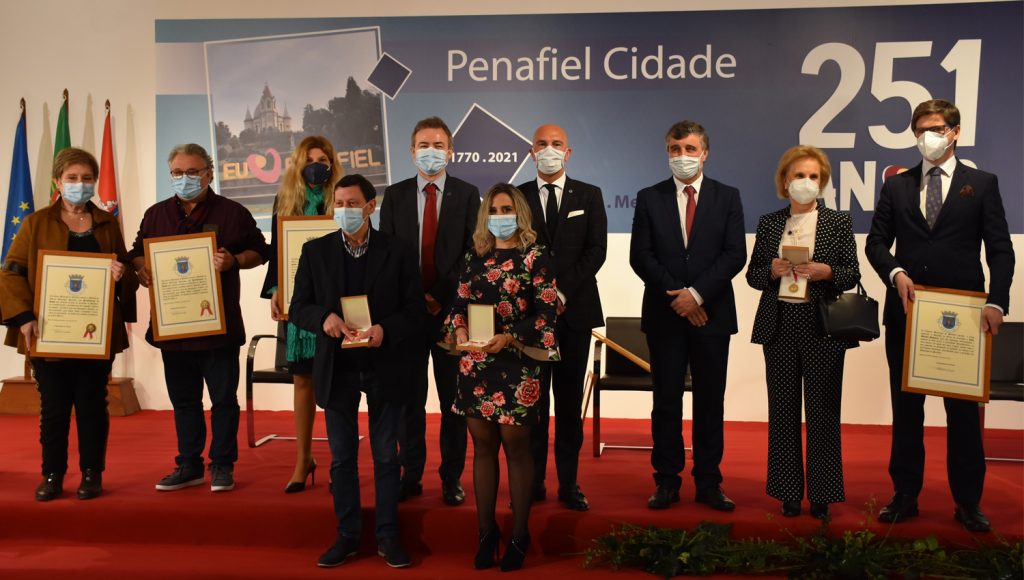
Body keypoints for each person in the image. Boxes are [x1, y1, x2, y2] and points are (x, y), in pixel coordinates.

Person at [865, 99, 1014, 532]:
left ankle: (968, 502)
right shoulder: (897, 186)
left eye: (935, 128)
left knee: (963, 415)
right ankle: (905, 495)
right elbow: (876, 243)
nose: (927, 137)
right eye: (920, 130)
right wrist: (895, 273)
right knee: (906, 410)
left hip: (963, 318)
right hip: (908, 313)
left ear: (955, 132)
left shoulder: (982, 184)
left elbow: (1000, 250)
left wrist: (997, 301)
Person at [290, 174, 424, 569]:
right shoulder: (315, 252)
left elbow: (415, 309)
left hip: (384, 364)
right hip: (338, 368)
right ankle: (347, 536)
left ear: (370, 206)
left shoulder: (398, 251)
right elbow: (298, 307)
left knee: (386, 457)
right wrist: (324, 318)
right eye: (339, 203)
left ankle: (388, 536)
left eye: (352, 203)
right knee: (342, 459)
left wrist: (387, 330)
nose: (344, 210)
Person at [0, 148, 138, 501]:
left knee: (93, 405)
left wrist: (121, 274)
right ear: (57, 182)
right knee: (54, 408)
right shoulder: (36, 223)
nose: (80, 184)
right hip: (49, 333)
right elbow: (11, 273)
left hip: (95, 335)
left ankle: (92, 473)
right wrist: (24, 317)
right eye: (72, 178)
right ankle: (52, 474)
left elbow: (126, 273)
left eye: (87, 178)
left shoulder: (107, 224)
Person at [129, 143, 268, 493]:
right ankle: (189, 465)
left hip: (218, 327)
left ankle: (222, 464)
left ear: (209, 173)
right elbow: (136, 253)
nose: (185, 178)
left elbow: (260, 251)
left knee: (223, 401)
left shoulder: (233, 212)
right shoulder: (156, 214)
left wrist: (234, 261)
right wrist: (142, 269)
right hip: (173, 326)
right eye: (177, 172)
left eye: (192, 172)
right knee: (184, 401)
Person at [440, 183, 559, 572]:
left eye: (507, 209)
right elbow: (457, 304)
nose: (500, 216)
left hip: (518, 362)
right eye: (493, 210)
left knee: (516, 447)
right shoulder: (474, 256)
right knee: (483, 447)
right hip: (476, 362)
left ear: (519, 213)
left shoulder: (537, 255)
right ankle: (486, 533)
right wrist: (459, 328)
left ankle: (520, 535)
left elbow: (546, 314)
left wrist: (508, 336)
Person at [629, 120, 746, 511]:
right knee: (666, 401)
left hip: (712, 314)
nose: (682, 156)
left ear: (705, 153)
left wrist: (696, 296)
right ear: (667, 152)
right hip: (665, 316)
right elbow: (640, 256)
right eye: (675, 149)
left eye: (690, 149)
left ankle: (709, 482)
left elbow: (735, 254)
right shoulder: (649, 197)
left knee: (710, 402)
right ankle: (666, 480)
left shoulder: (728, 197)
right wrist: (679, 297)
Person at [746, 145, 860, 520]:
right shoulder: (769, 223)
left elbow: (852, 272)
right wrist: (772, 270)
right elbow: (752, 275)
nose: (806, 182)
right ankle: (788, 493)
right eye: (799, 175)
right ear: (785, 181)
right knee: (783, 413)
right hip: (779, 326)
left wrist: (828, 272)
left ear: (822, 182)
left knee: (823, 413)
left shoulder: (838, 222)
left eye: (813, 176)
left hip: (822, 328)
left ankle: (822, 495)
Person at [379, 116, 480, 505]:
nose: (431, 152)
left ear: (450, 152)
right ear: (411, 151)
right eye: (424, 145)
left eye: (438, 145)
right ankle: (411, 474)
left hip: (452, 314)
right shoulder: (395, 195)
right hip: (407, 314)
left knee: (453, 401)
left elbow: (473, 253)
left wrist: (438, 294)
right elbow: (387, 253)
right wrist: (415, 297)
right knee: (410, 399)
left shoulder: (468, 194)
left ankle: (451, 477)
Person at [518, 123, 607, 511]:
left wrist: (562, 292)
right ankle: (533, 481)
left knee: (569, 405)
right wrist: (542, 298)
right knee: (532, 405)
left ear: (568, 153)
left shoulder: (589, 194)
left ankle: (569, 484)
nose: (549, 149)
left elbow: (596, 250)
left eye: (557, 144)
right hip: (529, 318)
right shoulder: (517, 196)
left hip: (575, 314)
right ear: (531, 151)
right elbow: (512, 251)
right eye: (542, 143)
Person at [261, 135, 342, 493]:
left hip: (337, 304)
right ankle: (303, 459)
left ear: (332, 164)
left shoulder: (342, 199)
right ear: (297, 164)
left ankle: (341, 460)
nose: (316, 166)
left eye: (323, 159)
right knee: (303, 381)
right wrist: (275, 290)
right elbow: (277, 253)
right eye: (309, 160)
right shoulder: (285, 201)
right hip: (300, 305)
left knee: (339, 383)